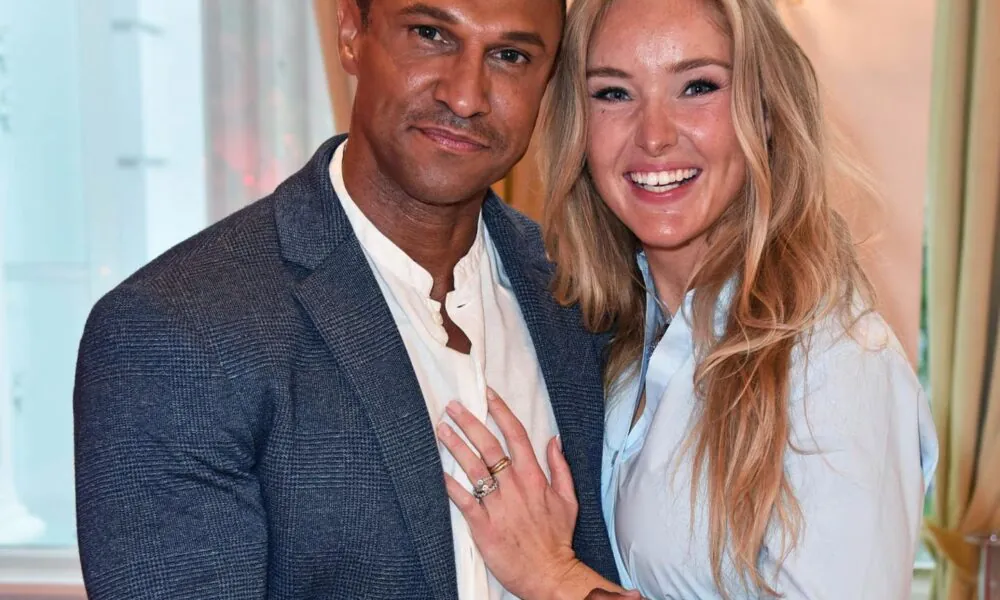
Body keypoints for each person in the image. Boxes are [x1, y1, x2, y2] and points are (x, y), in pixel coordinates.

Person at [72, 0, 622, 598]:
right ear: (351, 33)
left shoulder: (592, 297)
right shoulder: (178, 330)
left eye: (510, 56)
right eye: (430, 34)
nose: (466, 97)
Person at [434, 0, 939, 598]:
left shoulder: (836, 361)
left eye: (698, 87)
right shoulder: (619, 344)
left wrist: (555, 578)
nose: (654, 136)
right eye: (614, 93)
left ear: (765, 110)